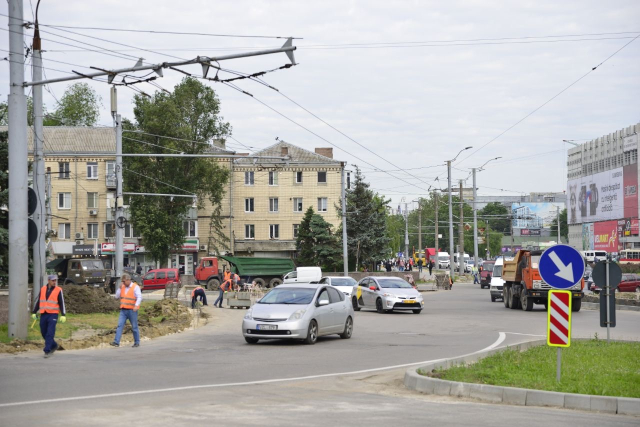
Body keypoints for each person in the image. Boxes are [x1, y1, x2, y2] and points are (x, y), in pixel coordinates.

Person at [31, 274, 66, 358]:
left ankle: (47, 350)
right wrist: (34, 312)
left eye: (55, 280)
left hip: (53, 314)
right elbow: (39, 301)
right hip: (44, 314)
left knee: (50, 332)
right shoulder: (43, 289)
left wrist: (63, 314)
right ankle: (54, 345)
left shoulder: (58, 290)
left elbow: (62, 303)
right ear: (49, 281)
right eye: (53, 280)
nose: (54, 282)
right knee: (44, 333)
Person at [111, 273, 142, 348]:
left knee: (134, 327)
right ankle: (116, 342)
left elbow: (139, 297)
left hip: (132, 310)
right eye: (122, 281)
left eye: (124, 281)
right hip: (123, 310)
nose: (123, 283)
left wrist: (136, 306)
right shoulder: (123, 287)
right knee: (120, 325)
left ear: (128, 280)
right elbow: (117, 296)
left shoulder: (135, 287)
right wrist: (119, 288)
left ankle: (137, 342)